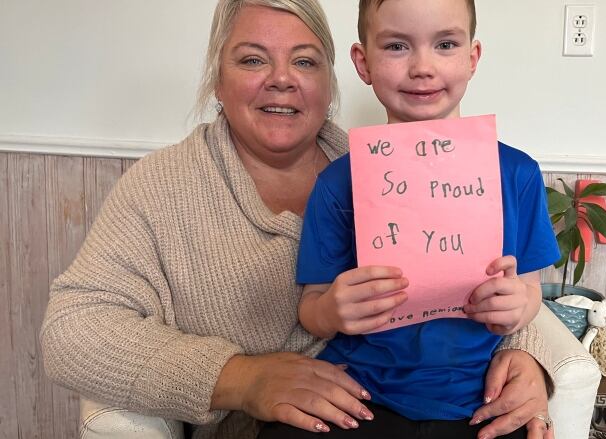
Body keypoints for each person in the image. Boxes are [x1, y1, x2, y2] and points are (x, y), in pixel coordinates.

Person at [39, 1, 553, 438]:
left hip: (445, 403)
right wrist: (241, 379)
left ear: (331, 80)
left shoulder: (425, 165)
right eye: (252, 59)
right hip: (301, 418)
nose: (281, 80)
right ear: (216, 78)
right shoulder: (164, 187)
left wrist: (529, 357)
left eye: (303, 62)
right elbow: (73, 329)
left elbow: (507, 279)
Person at [260, 0, 560, 438]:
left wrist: (518, 306)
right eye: (397, 46)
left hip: (477, 399)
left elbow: (530, 291)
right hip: (359, 394)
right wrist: (332, 310)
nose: (423, 66)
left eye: (445, 44)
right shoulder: (338, 182)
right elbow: (312, 307)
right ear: (363, 62)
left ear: (472, 58)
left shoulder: (518, 174)